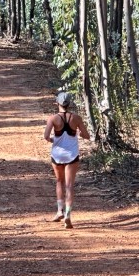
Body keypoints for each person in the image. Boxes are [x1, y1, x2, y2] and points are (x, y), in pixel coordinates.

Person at [43, 91, 89, 229]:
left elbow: (46, 136)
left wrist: (54, 140)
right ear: (69, 104)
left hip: (57, 155)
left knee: (59, 182)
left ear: (57, 103)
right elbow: (86, 135)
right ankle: (68, 214)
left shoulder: (52, 119)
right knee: (69, 185)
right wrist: (80, 133)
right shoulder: (76, 118)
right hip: (72, 155)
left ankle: (59, 211)